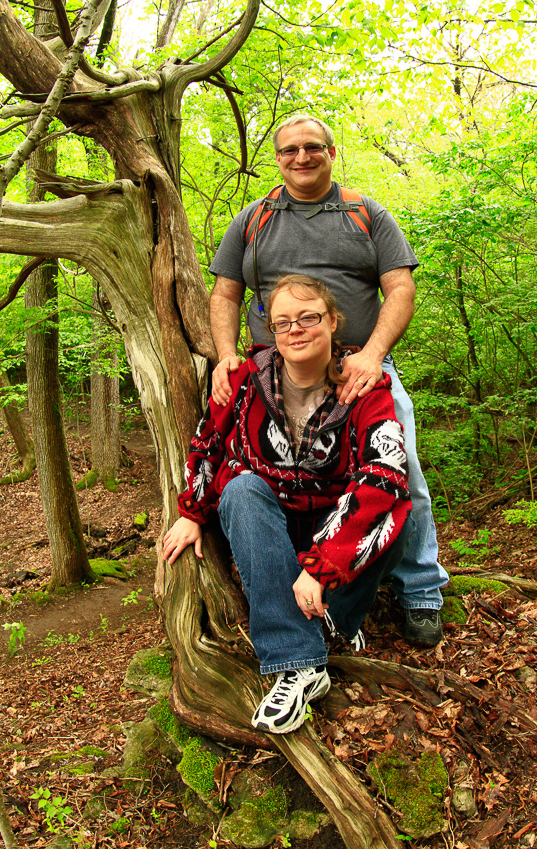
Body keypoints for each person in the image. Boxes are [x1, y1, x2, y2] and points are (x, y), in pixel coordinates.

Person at [207, 113, 449, 647]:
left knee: (396, 464)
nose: (301, 157)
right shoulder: (254, 219)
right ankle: (287, 575)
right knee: (246, 470)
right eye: (289, 149)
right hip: (271, 372)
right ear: (277, 158)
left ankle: (421, 590)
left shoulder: (365, 215)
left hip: (357, 367)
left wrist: (374, 356)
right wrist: (226, 355)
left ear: (331, 153)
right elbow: (224, 293)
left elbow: (400, 289)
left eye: (312, 147)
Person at [163, 275, 414, 734]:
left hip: (334, 530)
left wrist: (322, 565)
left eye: (309, 318)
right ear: (271, 331)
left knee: (399, 516)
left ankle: (337, 619)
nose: (296, 329)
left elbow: (385, 474)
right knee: (239, 489)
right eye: (283, 322)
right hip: (271, 527)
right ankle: (298, 663)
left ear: (334, 321)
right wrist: (191, 512)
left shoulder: (364, 386)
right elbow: (208, 442)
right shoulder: (244, 379)